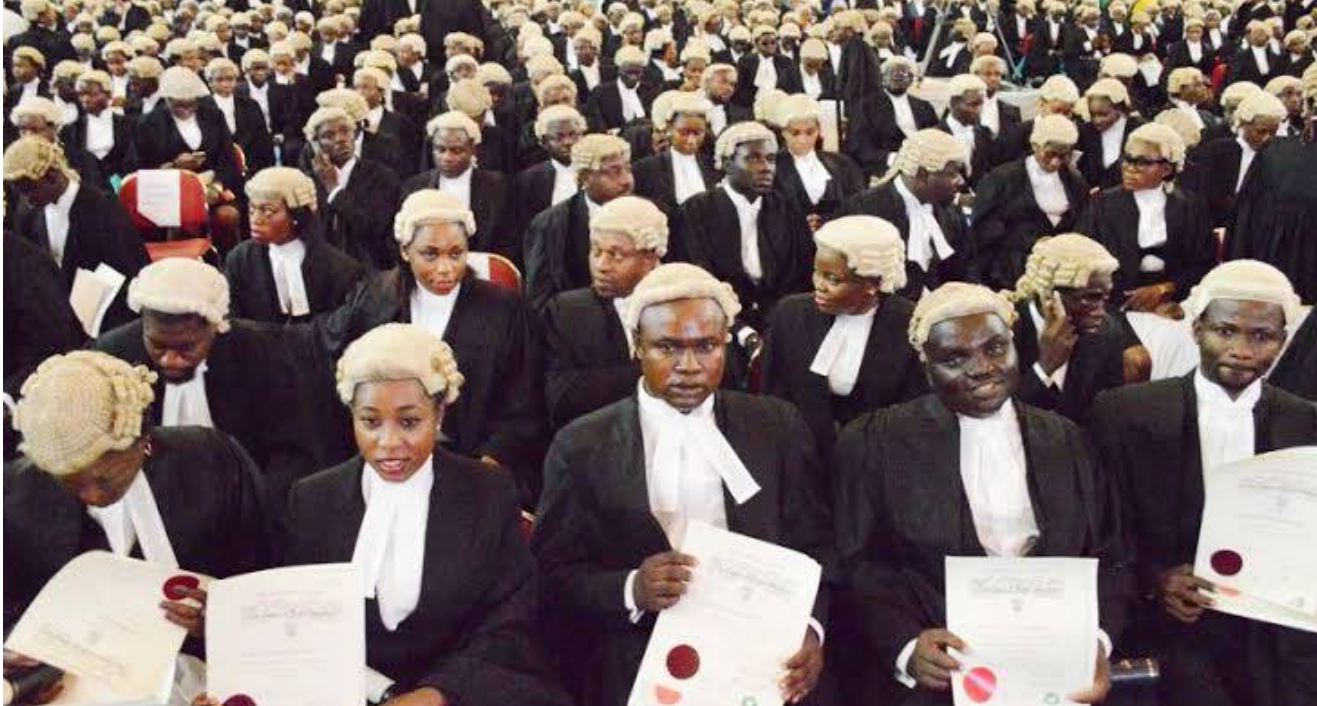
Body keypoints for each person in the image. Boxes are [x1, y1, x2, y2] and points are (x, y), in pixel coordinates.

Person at [532, 263, 834, 706]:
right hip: (636, 654)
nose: (689, 367)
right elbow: (552, 575)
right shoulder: (581, 445)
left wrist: (810, 627)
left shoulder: (777, 426)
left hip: (761, 652)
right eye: (667, 347)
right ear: (637, 345)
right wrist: (630, 588)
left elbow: (816, 545)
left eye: (707, 346)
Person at [833, 282, 1132, 705]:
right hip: (941, 667)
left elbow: (1112, 554)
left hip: (1054, 664)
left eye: (995, 349)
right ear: (926, 367)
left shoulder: (1067, 439)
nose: (982, 368)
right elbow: (862, 563)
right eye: (954, 358)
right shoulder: (874, 442)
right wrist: (907, 646)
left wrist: (1096, 641)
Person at [284, 323, 571, 706]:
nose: (388, 443)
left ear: (439, 414)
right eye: (370, 421)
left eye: (409, 422)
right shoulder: (311, 500)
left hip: (463, 693)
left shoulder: (488, 492)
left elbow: (509, 622)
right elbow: (302, 625)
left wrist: (437, 694)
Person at [1088, 260, 1317, 706]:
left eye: (1262, 336)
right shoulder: (1124, 414)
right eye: (1225, 331)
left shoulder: (1307, 422)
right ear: (1195, 329)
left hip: (1278, 634)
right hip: (1166, 626)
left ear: (1283, 340)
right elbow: (1103, 528)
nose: (1242, 350)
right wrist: (1155, 580)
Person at [5, 350, 274, 633]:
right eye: (70, 484)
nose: (92, 498)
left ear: (143, 440)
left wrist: (225, 619)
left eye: (105, 480)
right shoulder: (15, 496)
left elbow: (264, 578)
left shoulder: (212, 462)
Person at [307, 190, 544, 502]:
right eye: (430, 255)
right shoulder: (374, 297)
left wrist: (485, 466)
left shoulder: (506, 310)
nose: (445, 268)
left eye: (456, 253)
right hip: (388, 456)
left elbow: (524, 408)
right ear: (405, 251)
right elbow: (319, 346)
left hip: (474, 463)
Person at [94, 258, 316, 502]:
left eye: (186, 348)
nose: (170, 360)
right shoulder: (112, 356)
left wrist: (256, 503)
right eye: (157, 346)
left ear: (215, 328)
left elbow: (292, 453)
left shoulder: (262, 352)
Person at [760, 215, 925, 454]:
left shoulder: (909, 325)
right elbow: (771, 397)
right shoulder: (790, 315)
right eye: (817, 272)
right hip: (801, 456)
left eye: (833, 279)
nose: (819, 285)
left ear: (872, 284)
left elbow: (913, 413)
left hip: (877, 459)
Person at [676, 120, 813, 352]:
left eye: (771, 159)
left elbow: (802, 275)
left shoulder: (787, 209)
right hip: (719, 325)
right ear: (727, 164)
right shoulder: (695, 212)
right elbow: (697, 280)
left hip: (781, 325)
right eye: (753, 159)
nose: (766, 168)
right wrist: (741, 331)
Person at [540, 195, 665, 430]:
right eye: (596, 252)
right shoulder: (565, 311)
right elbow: (561, 399)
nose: (601, 266)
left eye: (616, 255)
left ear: (650, 258)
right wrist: (653, 374)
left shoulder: (683, 305)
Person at [3, 136, 147, 333]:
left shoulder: (104, 208)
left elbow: (130, 272)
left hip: (107, 319)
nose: (26, 200)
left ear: (52, 176)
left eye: (29, 190)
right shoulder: (28, 214)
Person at [1077, 123, 1216, 314]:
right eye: (1127, 158)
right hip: (1112, 306)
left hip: (1174, 304)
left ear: (1166, 169)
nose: (1129, 167)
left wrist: (1166, 289)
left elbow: (1204, 264)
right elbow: (1083, 259)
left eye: (1141, 162)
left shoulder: (1191, 207)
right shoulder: (1101, 205)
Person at [844, 129, 974, 301]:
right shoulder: (865, 210)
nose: (961, 181)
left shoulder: (950, 212)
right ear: (922, 174)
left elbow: (965, 269)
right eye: (952, 174)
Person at [1008, 234, 1128, 420]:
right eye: (1091, 298)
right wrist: (1044, 368)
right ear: (1049, 295)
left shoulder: (1107, 332)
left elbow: (1109, 414)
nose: (1101, 311)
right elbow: (1000, 418)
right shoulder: (1007, 330)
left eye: (1105, 297)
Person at [224, 167, 365, 323]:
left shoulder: (340, 270)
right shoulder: (239, 260)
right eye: (252, 210)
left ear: (297, 215)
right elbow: (231, 322)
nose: (256, 219)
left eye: (268, 211)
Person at [1228, 65, 1317, 303]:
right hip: (1281, 294)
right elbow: (1244, 231)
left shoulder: (1274, 154)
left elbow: (1243, 235)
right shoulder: (1273, 154)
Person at [973, 114, 1090, 290]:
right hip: (1010, 273)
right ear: (1035, 145)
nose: (1056, 162)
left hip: (1061, 275)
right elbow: (982, 231)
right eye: (1050, 154)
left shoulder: (1076, 183)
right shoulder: (1000, 179)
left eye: (1064, 155)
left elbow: (1083, 225)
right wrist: (1029, 242)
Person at [524, 133, 634, 311]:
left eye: (628, 169)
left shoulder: (650, 213)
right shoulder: (550, 225)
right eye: (615, 172)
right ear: (584, 178)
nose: (626, 180)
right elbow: (540, 299)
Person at [402, 111, 514, 261]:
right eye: (440, 150)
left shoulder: (497, 186)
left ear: (473, 149)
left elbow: (509, 239)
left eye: (456, 150)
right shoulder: (414, 187)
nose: (447, 158)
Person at [303, 105, 402, 271]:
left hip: (371, 268)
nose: (340, 139)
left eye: (345, 131)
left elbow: (374, 229)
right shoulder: (308, 182)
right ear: (316, 145)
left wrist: (335, 190)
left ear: (354, 135)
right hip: (324, 270)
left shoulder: (381, 176)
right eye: (329, 135)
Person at [134, 66, 244, 197]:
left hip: (214, 186)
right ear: (167, 99)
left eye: (191, 104)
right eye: (179, 105)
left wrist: (217, 187)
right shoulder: (148, 123)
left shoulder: (214, 115)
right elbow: (140, 168)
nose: (186, 110)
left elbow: (228, 159)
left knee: (229, 210)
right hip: (167, 191)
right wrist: (174, 165)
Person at [772, 94, 865, 229]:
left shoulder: (844, 165)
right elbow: (769, 216)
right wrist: (798, 225)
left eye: (810, 132)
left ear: (819, 130)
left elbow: (859, 207)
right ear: (783, 132)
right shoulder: (772, 169)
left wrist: (826, 221)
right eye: (795, 133)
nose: (803, 140)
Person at [843, 56, 938, 179]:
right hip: (884, 166)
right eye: (892, 72)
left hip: (924, 164)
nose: (897, 76)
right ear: (882, 78)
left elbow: (936, 137)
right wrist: (894, 158)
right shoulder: (864, 107)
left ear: (911, 79)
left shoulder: (924, 106)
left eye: (903, 72)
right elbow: (858, 147)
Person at [510, 104, 586, 257]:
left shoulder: (595, 171)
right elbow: (526, 232)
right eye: (559, 137)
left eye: (573, 134)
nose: (568, 142)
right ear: (543, 142)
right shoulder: (528, 180)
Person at [631, 90, 718, 217]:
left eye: (698, 133)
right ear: (669, 129)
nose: (691, 140)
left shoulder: (713, 166)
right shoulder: (644, 169)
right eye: (684, 132)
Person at [1077, 78, 1146, 191]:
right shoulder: (1085, 132)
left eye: (1103, 114)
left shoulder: (1139, 130)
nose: (1097, 120)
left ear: (1119, 108)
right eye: (1092, 115)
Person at [585, 45, 659, 133]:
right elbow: (595, 121)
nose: (633, 78)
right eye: (629, 72)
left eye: (637, 73)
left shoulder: (650, 91)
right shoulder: (601, 92)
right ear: (619, 70)